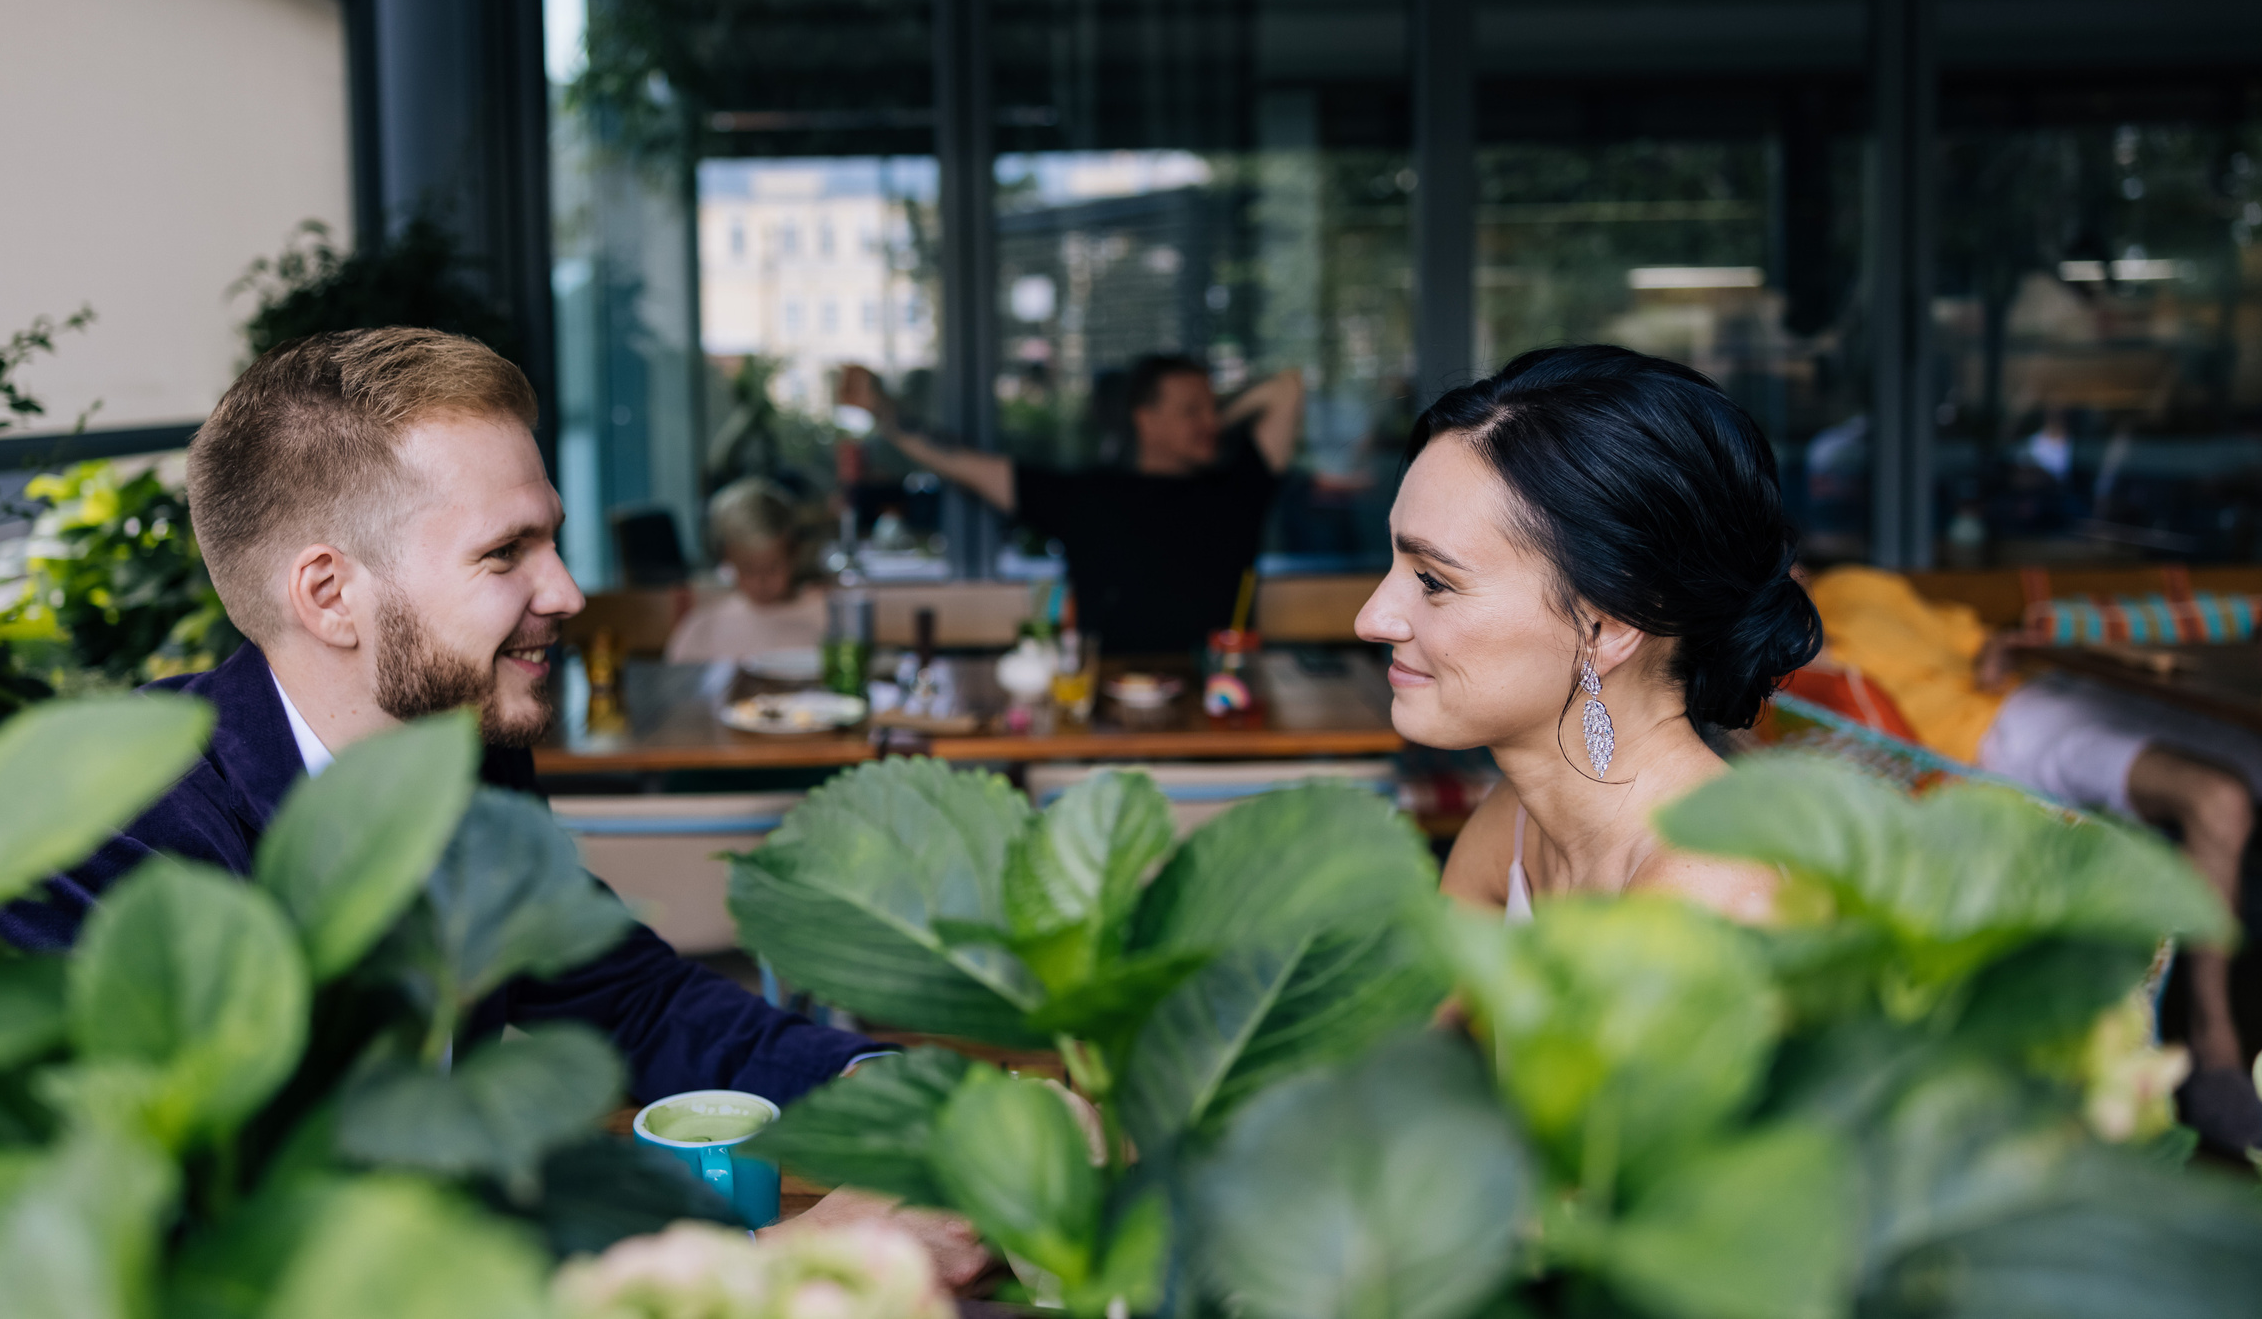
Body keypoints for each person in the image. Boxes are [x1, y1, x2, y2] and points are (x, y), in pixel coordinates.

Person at [0, 329, 983, 1277]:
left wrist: (887, 1092)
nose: (567, 592)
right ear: (331, 596)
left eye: (551, 540)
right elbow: (216, 1252)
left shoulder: (466, 750)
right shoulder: (109, 844)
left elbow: (632, 999)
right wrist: (764, 1267)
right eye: (506, 552)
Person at [1354, 345, 1821, 924]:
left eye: (1433, 581)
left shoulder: (1706, 897)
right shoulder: (1518, 823)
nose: (1371, 619)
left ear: (1610, 625)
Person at [1805, 563, 2262, 1152]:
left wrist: (2003, 645)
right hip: (1992, 735)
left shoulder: (1854, 584)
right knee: (2218, 799)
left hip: (2041, 685)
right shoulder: (1784, 640)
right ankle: (2213, 1042)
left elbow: (1971, 637)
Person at [835, 354, 1302, 654]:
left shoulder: (1238, 488)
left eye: (1212, 407)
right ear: (1145, 420)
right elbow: (961, 463)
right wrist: (884, 413)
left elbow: (1288, 386)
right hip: (1111, 714)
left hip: (1224, 702)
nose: (1209, 421)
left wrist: (1213, 420)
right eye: (1191, 410)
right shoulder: (1088, 497)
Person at [664, 477, 827, 663]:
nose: (762, 580)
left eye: (773, 567)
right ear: (727, 558)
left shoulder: (825, 616)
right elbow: (679, 677)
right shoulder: (704, 627)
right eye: (748, 569)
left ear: (794, 553)